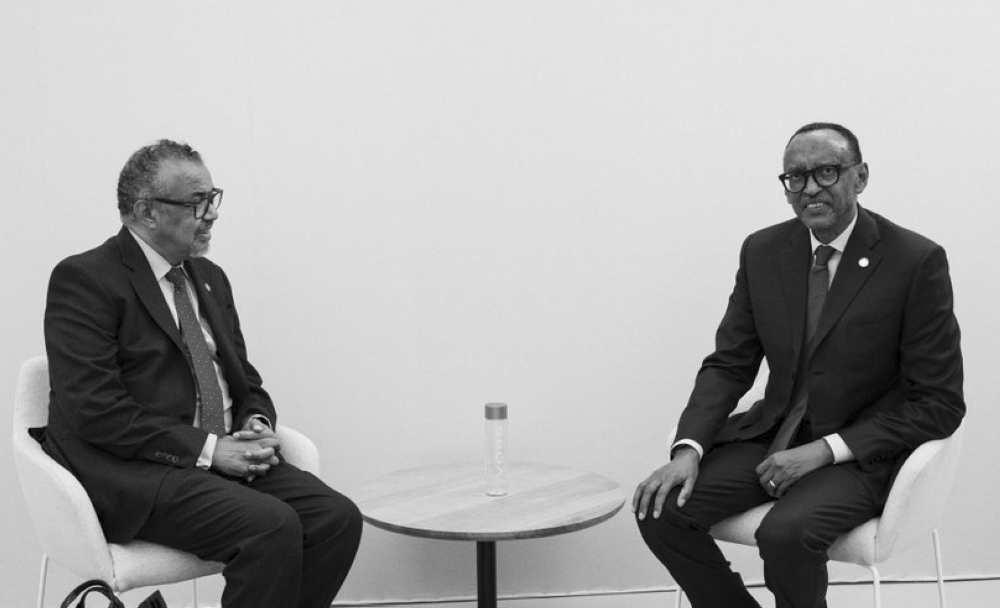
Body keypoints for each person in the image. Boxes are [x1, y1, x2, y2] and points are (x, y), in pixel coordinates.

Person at [633, 123, 964, 608]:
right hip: (775, 435)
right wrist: (690, 449)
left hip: (859, 452)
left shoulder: (915, 261)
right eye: (796, 177)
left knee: (785, 534)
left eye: (826, 172)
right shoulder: (764, 251)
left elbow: (938, 402)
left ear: (860, 177)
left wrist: (826, 450)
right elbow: (730, 363)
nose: (810, 188)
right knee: (658, 510)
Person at [40, 140, 363, 608]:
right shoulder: (85, 279)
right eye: (196, 203)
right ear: (146, 212)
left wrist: (256, 423)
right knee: (270, 526)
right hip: (138, 469)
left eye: (212, 199)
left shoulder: (208, 277)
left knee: (336, 519)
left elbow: (245, 382)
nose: (211, 214)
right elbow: (95, 410)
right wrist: (210, 451)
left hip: (219, 454)